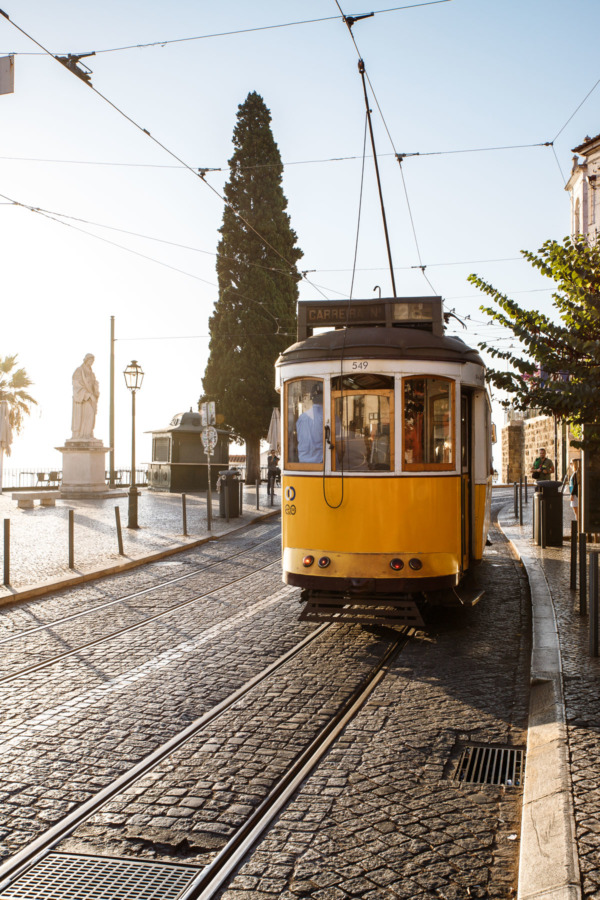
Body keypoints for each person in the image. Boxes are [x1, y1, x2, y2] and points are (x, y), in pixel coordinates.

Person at [71, 353, 99, 440]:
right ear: (86, 360)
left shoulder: (92, 373)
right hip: (83, 399)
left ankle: (88, 434)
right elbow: (76, 385)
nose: (91, 362)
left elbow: (94, 384)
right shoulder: (79, 371)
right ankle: (83, 434)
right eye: (90, 360)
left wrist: (95, 388)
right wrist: (88, 395)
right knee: (87, 414)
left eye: (92, 361)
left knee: (91, 415)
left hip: (91, 398)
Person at [296, 383, 324, 463]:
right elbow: (339, 446)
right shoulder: (330, 417)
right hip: (322, 464)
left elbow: (299, 440)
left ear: (312, 399)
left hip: (303, 464)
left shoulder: (301, 418)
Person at [569, 458, 580, 526]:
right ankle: (578, 524)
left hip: (575, 494)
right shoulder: (574, 473)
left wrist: (572, 494)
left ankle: (578, 524)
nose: (570, 465)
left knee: (576, 511)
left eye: (571, 463)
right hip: (573, 493)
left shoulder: (576, 473)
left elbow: (575, 485)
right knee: (575, 511)